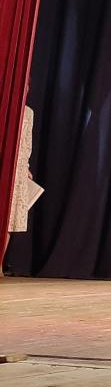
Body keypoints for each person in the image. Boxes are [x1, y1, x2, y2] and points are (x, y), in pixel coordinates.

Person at [2, 103, 36, 277]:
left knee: (9, 218)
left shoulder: (28, 112)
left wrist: (26, 166)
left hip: (16, 167)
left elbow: (26, 143)